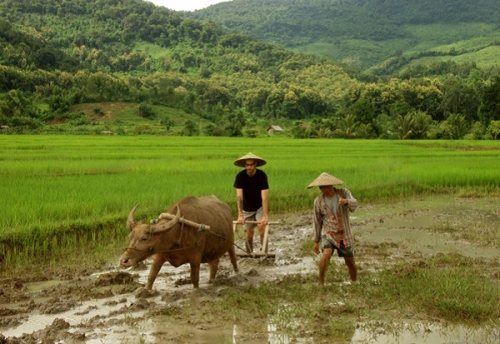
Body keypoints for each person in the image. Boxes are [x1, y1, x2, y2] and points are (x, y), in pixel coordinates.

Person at [308, 172, 358, 284]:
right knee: (326, 253)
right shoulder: (318, 201)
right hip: (329, 233)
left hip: (344, 234)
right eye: (320, 187)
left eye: (324, 186)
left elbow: (355, 205)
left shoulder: (344, 193)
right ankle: (321, 283)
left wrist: (346, 202)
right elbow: (317, 222)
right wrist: (316, 241)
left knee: (350, 262)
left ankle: (354, 282)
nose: (322, 189)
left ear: (331, 185)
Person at [233, 152, 269, 253]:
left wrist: (265, 215)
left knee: (261, 227)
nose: (249, 167)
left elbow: (264, 197)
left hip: (259, 206)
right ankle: (249, 253)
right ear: (245, 165)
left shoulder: (261, 176)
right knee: (249, 232)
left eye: (251, 164)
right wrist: (240, 215)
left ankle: (264, 251)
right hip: (247, 207)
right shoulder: (240, 177)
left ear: (255, 164)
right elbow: (239, 197)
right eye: (247, 165)